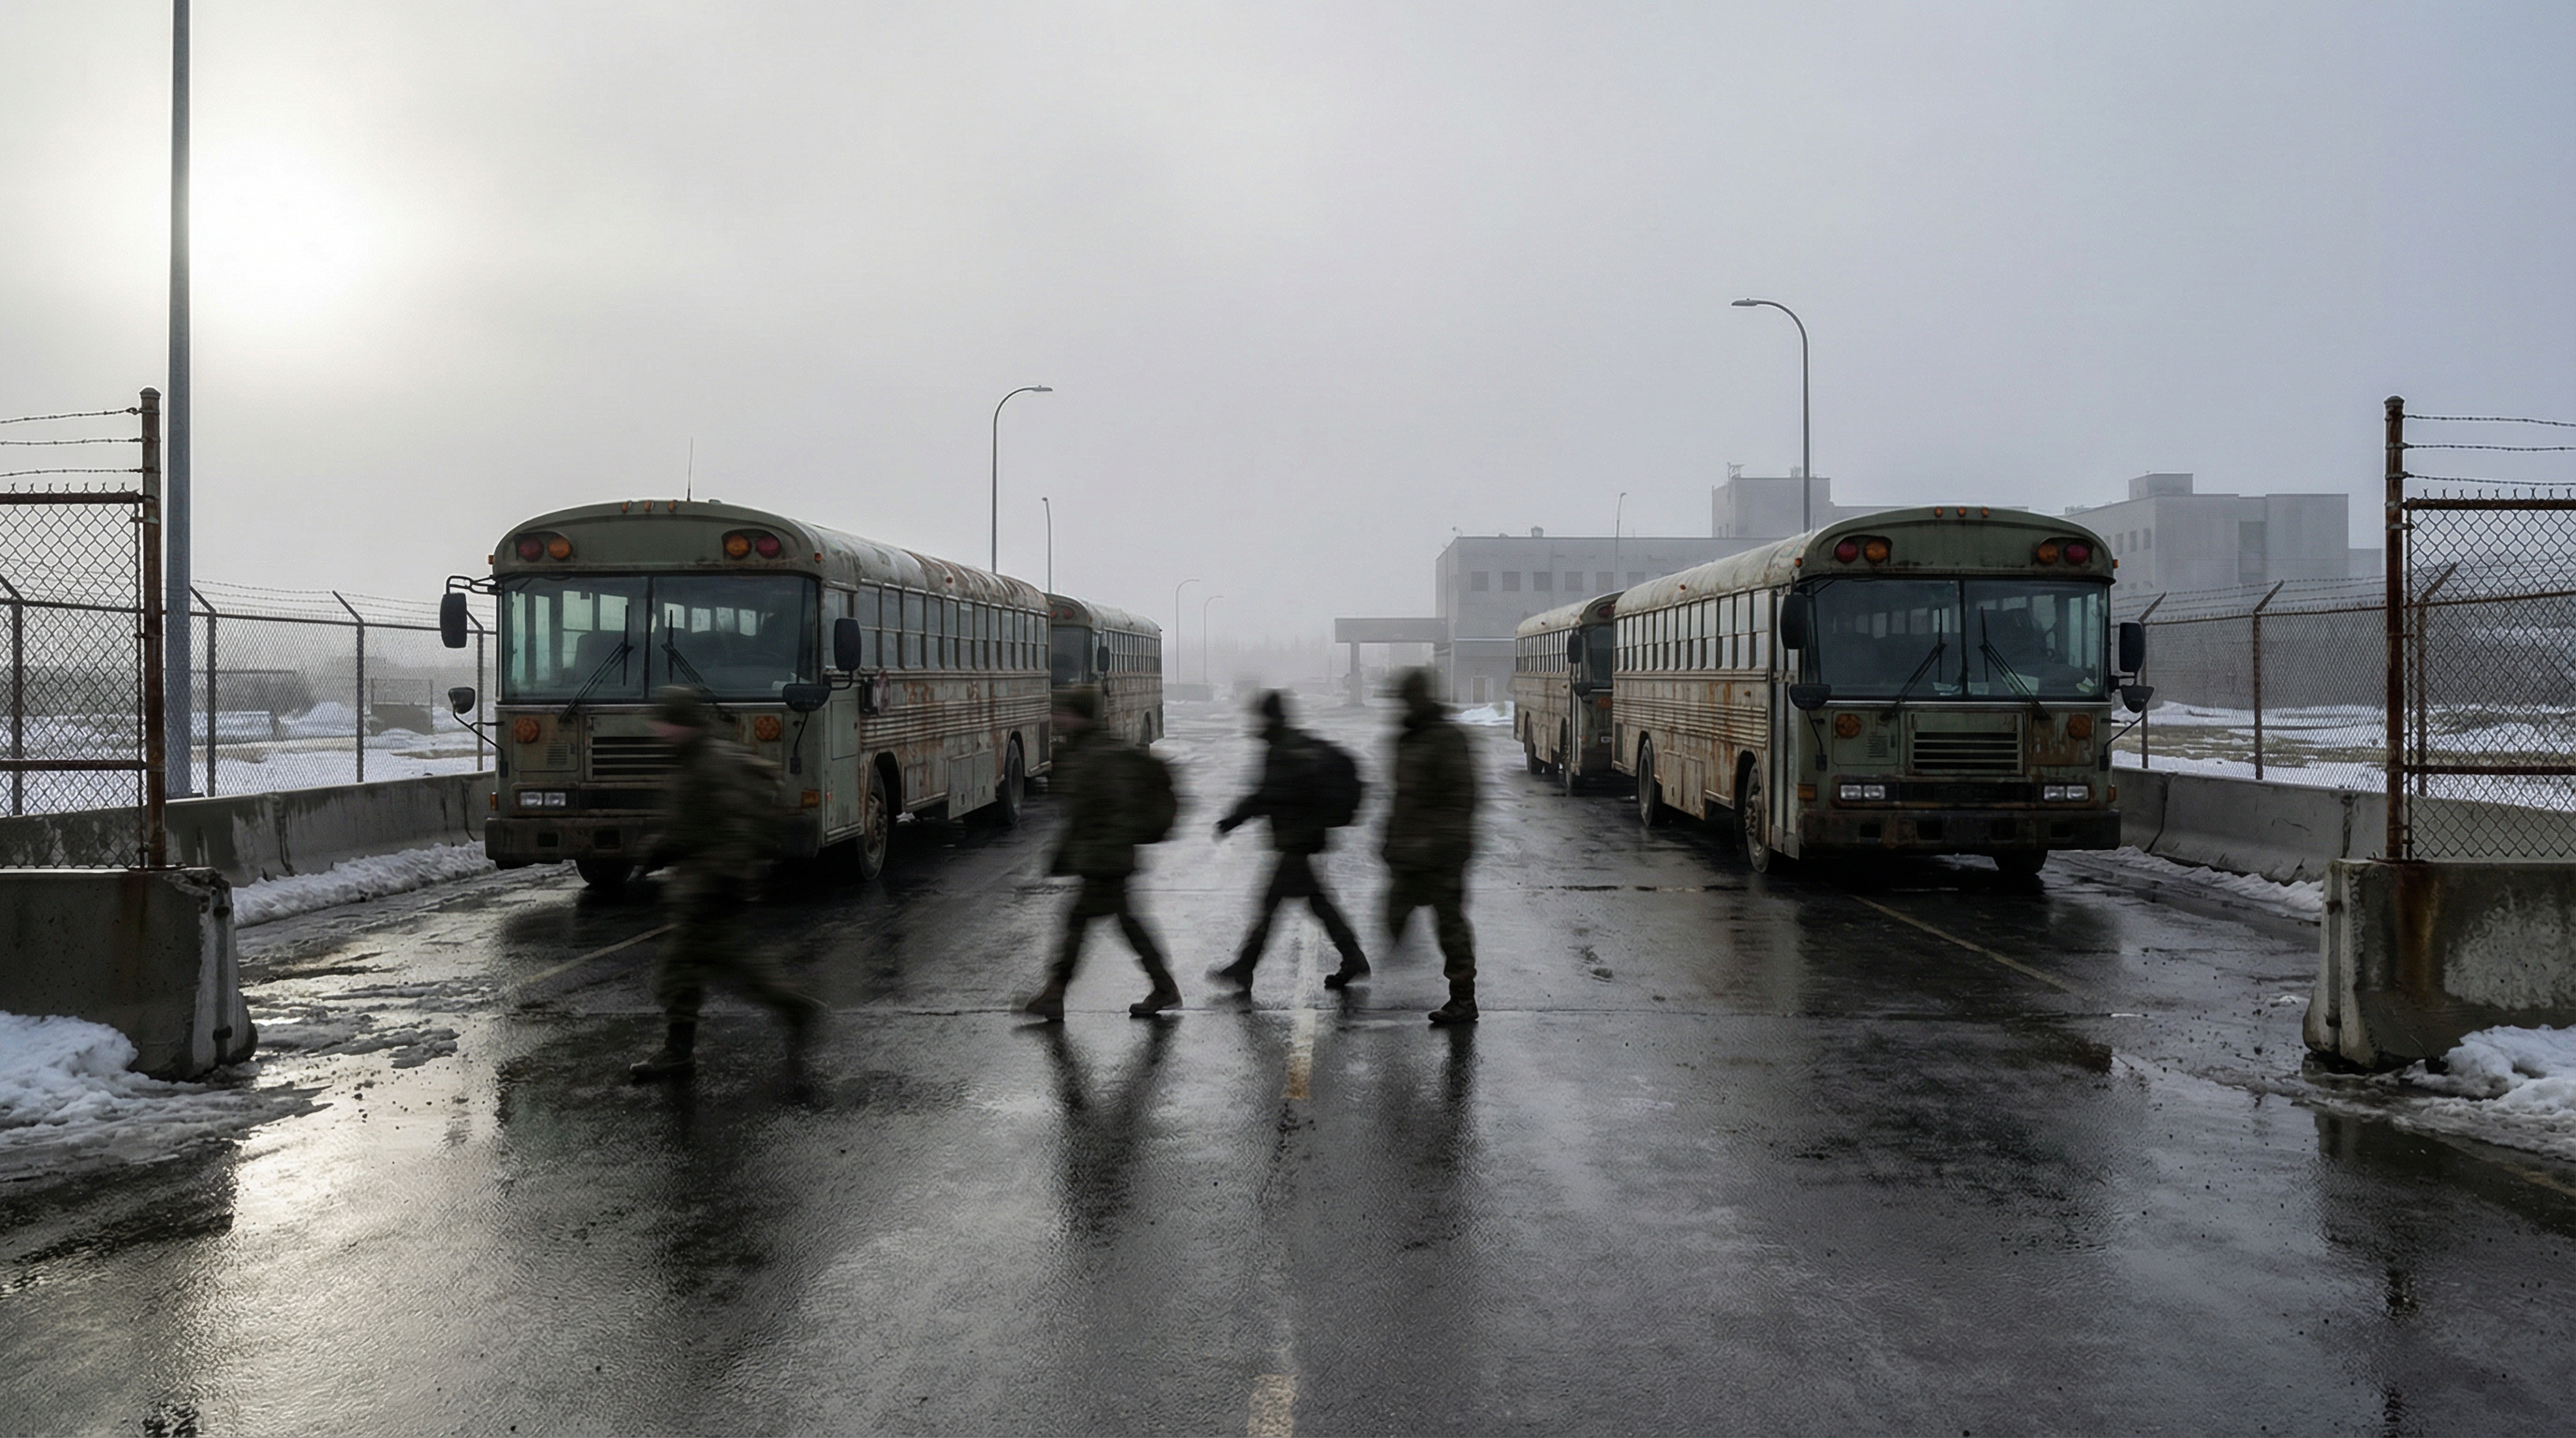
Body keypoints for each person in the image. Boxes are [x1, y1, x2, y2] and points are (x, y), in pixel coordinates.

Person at [630, 684, 824, 1081]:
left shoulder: (710, 765)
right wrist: (659, 850)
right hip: (705, 883)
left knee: (681, 970)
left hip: (712, 886)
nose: (659, 731)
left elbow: (735, 827)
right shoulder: (691, 761)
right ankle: (793, 1008)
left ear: (683, 724)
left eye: (666, 723)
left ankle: (679, 1054)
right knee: (729, 965)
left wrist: (725, 877)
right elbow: (691, 824)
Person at [1024, 685, 1182, 1020]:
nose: (1058, 718)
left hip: (1107, 860)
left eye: (1064, 712)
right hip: (1105, 857)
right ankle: (1162, 986)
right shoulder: (1088, 749)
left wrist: (1098, 852)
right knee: (1119, 922)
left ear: (1078, 716)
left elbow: (1111, 811)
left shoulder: (1099, 755)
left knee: (1084, 923)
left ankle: (1056, 993)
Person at [1210, 690, 1369, 990]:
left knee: (1272, 906)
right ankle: (1352, 956)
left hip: (1295, 841)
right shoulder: (1294, 744)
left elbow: (1267, 796)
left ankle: (1245, 966)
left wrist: (1233, 819)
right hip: (1303, 840)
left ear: (1268, 717)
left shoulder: (1282, 752)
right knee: (1315, 904)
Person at [1383, 668, 1481, 1024]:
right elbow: (1401, 796)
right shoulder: (1408, 738)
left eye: (1410, 698)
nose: (1406, 705)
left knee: (1450, 924)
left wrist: (1437, 840)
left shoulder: (1447, 739)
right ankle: (1378, 953)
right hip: (1412, 851)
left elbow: (1462, 797)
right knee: (1395, 909)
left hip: (1443, 852)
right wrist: (1391, 838)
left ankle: (1463, 1000)